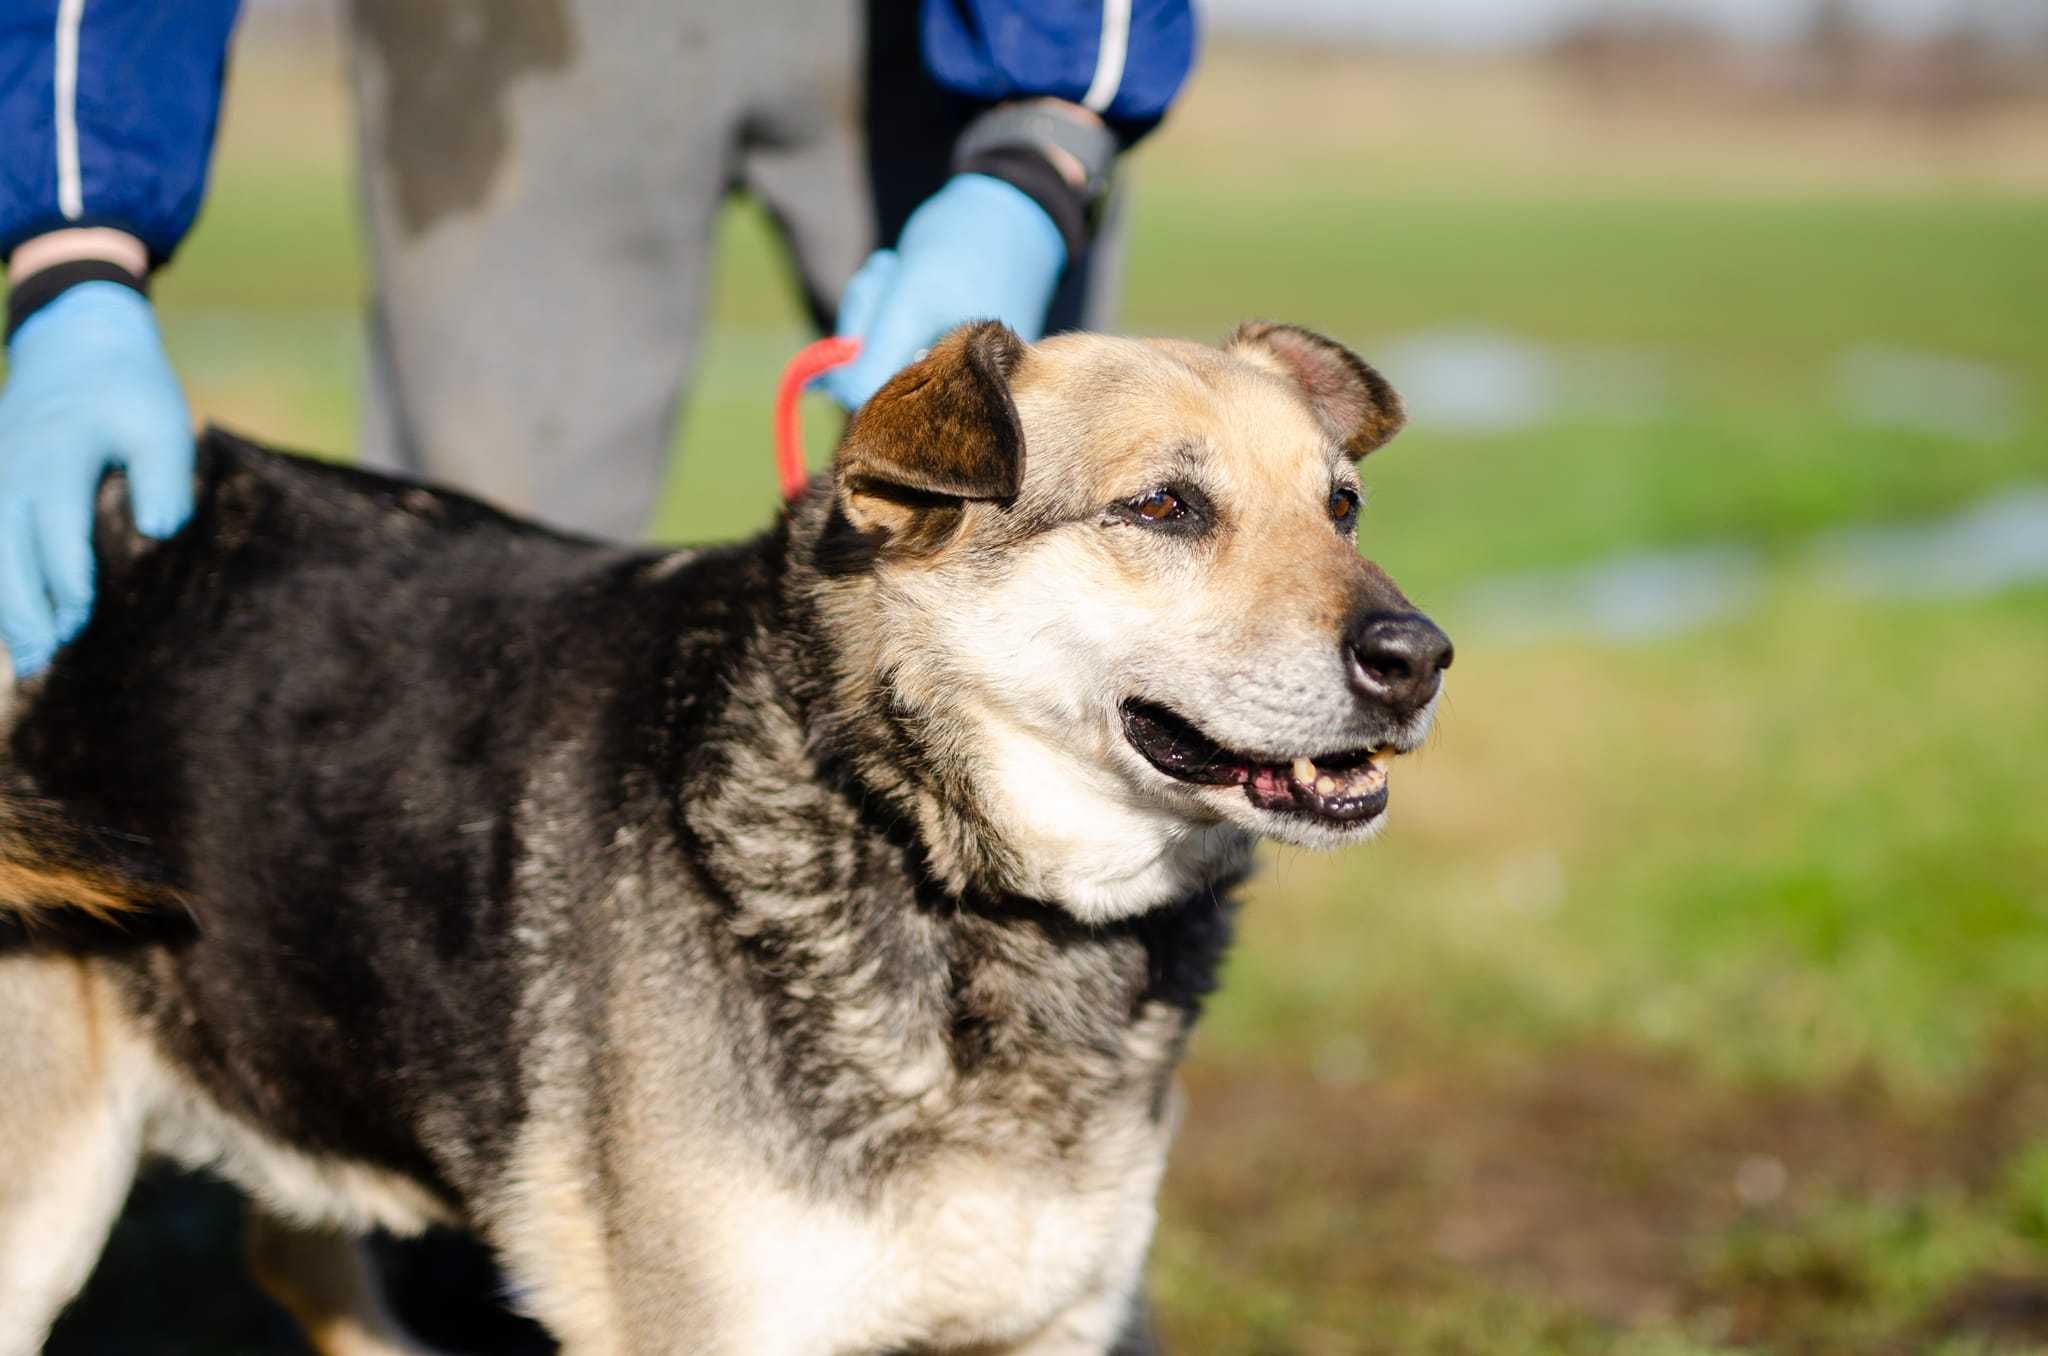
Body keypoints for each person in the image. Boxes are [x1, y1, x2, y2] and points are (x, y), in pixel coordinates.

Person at [0, 0, 1197, 679]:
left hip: (938, 32)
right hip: (513, 38)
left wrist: (1046, 128)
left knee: (1051, 591)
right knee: (468, 652)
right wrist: (74, 242)